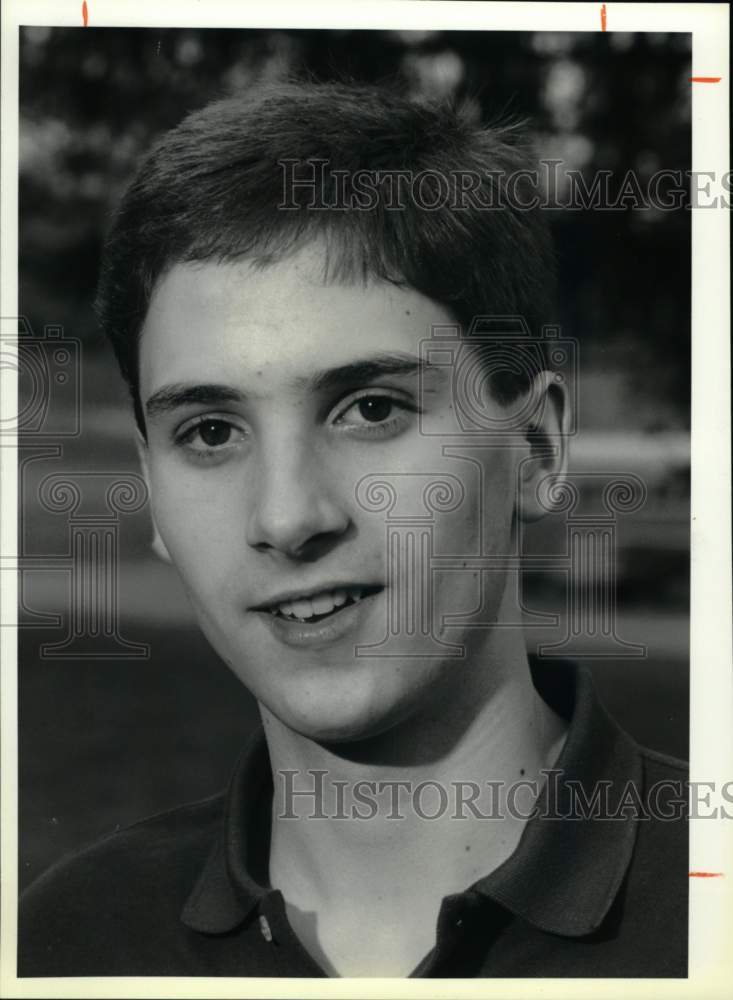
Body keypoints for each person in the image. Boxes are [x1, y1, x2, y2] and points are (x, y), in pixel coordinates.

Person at [19, 81, 687, 978]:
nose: (288, 516)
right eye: (210, 433)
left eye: (369, 409)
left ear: (533, 449)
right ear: (154, 497)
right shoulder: (71, 942)